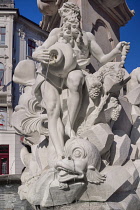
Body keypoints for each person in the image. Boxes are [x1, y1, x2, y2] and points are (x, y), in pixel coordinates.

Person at [32, 2, 130, 159]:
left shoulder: (87, 38)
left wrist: (115, 51)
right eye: (66, 18)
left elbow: (102, 59)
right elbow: (39, 50)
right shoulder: (57, 33)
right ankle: (59, 153)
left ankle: (70, 126)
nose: (69, 22)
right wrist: (37, 55)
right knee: (52, 111)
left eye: (73, 18)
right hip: (51, 76)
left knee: (76, 78)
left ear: (78, 18)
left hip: (74, 73)